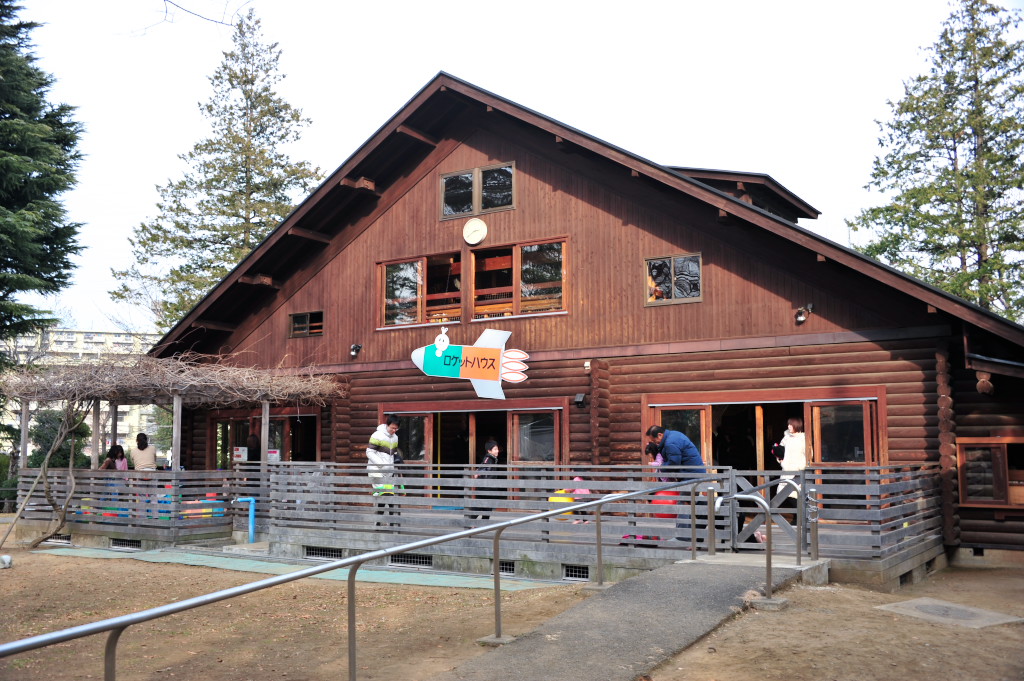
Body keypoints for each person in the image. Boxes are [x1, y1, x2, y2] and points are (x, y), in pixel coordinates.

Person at [645, 425, 707, 544]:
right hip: (694, 473)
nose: (655, 443)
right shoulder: (674, 435)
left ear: (660, 435)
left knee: (683, 503)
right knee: (692, 504)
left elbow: (674, 463)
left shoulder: (670, 443)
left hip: (691, 475)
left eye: (655, 440)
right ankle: (695, 536)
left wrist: (661, 467)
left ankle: (682, 537)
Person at [367, 415, 400, 525]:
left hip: (389, 472)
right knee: (383, 495)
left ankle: (387, 522)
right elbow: (369, 452)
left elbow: (393, 454)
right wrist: (382, 465)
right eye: (392, 428)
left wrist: (395, 465)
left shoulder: (395, 438)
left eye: (396, 429)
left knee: (389, 495)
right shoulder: (377, 435)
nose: (394, 430)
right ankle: (381, 522)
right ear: (387, 425)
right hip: (376, 470)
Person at [469, 440, 501, 520]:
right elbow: (484, 468)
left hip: (489, 487)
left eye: (497, 449)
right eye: (495, 449)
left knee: (487, 508)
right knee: (479, 506)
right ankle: (470, 522)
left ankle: (483, 524)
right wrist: (478, 472)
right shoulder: (488, 459)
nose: (497, 451)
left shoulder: (493, 459)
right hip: (485, 487)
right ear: (489, 451)